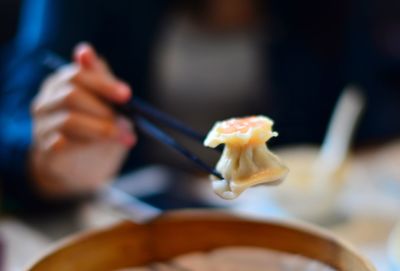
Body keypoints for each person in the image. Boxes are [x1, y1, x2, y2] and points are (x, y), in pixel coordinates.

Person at [1, 0, 399, 211]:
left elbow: (369, 102)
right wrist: (53, 162)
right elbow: (13, 120)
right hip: (122, 214)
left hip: (274, 221)